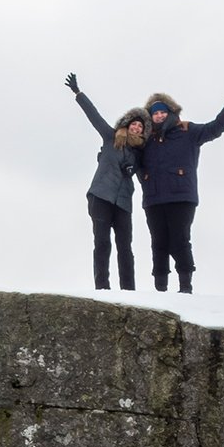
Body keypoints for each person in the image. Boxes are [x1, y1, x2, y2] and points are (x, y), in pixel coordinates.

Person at [137, 86, 224, 293]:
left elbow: (216, 128)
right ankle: (160, 289)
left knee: (180, 239)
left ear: (170, 112)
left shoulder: (188, 131)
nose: (159, 115)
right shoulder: (146, 140)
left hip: (181, 196)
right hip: (153, 198)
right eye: (155, 113)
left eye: (162, 111)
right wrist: (144, 179)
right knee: (158, 242)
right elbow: (131, 158)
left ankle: (185, 287)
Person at [65, 74, 145, 290]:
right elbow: (94, 116)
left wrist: (133, 168)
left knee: (125, 247)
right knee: (102, 243)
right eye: (134, 124)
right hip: (101, 196)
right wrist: (78, 93)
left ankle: (129, 290)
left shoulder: (140, 154)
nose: (136, 128)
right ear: (127, 125)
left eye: (140, 127)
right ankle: (102, 288)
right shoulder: (110, 137)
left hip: (123, 202)